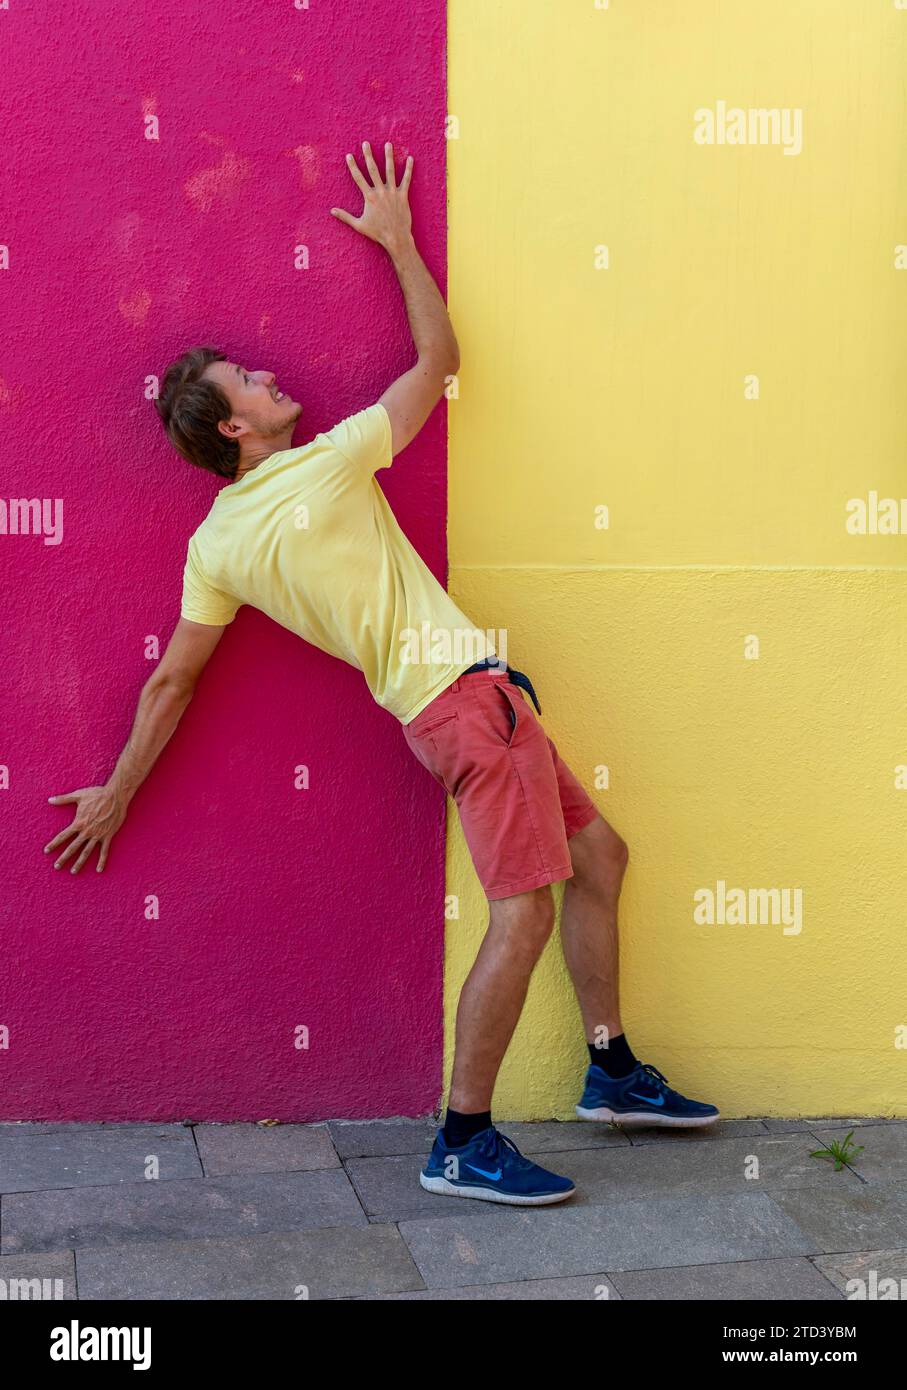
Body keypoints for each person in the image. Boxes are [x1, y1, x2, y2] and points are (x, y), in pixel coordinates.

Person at [44, 139, 718, 1207]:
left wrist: (119, 789)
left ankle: (610, 1069)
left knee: (599, 857)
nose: (273, 379)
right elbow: (440, 358)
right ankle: (459, 1139)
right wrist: (400, 242)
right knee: (524, 913)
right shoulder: (322, 463)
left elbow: (172, 680)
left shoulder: (215, 545)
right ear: (236, 428)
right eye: (250, 384)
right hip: (464, 708)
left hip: (469, 705)